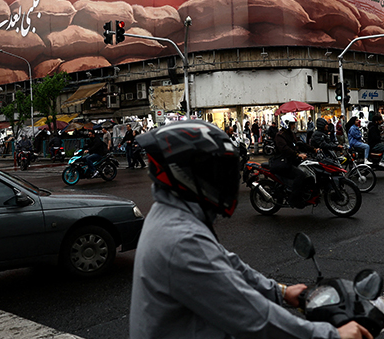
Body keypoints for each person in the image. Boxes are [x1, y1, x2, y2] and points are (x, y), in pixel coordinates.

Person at [130, 121, 371, 339]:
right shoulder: (180, 240)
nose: (227, 181)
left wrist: (281, 291)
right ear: (185, 175)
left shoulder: (172, 216)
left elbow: (227, 264)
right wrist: (331, 335)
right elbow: (252, 317)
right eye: (218, 172)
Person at [272, 113, 316, 207]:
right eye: (292, 124)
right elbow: (285, 149)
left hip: (292, 160)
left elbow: (300, 143)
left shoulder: (291, 134)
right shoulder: (280, 136)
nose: (294, 126)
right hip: (282, 162)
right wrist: (297, 154)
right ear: (286, 124)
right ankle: (294, 199)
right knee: (300, 175)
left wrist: (314, 149)